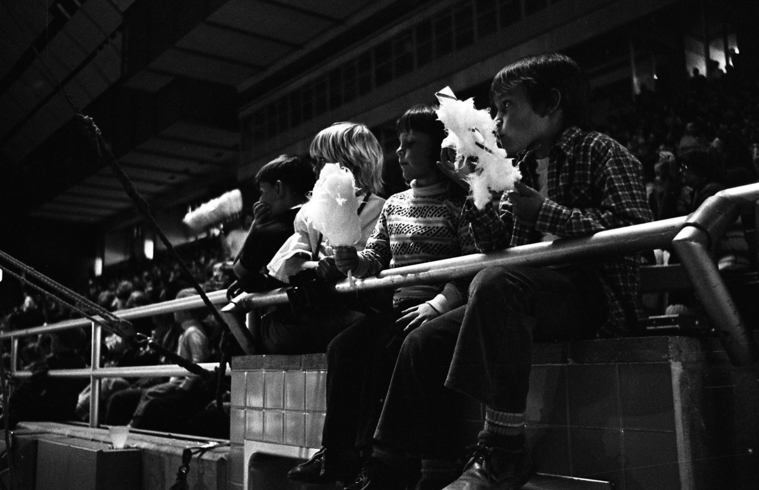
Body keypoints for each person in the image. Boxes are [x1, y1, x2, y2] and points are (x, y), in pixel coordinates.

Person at [349, 53, 653, 490]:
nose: (496, 118)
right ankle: (392, 466)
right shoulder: (521, 167)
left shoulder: (601, 150)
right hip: (523, 294)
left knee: (495, 283)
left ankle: (501, 449)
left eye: (507, 105)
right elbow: (497, 246)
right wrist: (474, 187)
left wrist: (546, 212)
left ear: (550, 102)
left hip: (593, 296)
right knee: (423, 340)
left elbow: (632, 228)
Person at [287, 105, 475, 486]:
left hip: (437, 306)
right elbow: (375, 257)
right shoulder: (394, 204)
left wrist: (441, 302)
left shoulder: (462, 205)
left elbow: (473, 262)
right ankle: (336, 456)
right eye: (399, 145)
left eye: (410, 145)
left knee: (386, 353)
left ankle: (377, 462)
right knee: (343, 347)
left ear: (439, 149)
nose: (400, 154)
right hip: (398, 306)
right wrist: (351, 259)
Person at [259, 122, 387, 354]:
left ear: (349, 161)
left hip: (359, 308)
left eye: (321, 160)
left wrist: (350, 264)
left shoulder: (381, 209)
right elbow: (290, 262)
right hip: (316, 307)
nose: (315, 169)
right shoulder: (307, 213)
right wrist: (319, 267)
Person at [127, 288, 213, 433]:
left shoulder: (193, 332)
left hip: (182, 382)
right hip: (179, 380)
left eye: (176, 308)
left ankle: (134, 426)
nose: (174, 312)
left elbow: (199, 362)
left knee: (150, 393)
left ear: (185, 310)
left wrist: (185, 386)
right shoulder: (189, 331)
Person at [230, 154, 317, 290]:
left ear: (278, 188)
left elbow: (238, 271)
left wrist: (255, 226)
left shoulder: (268, 232)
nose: (260, 200)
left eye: (263, 191)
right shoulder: (322, 218)